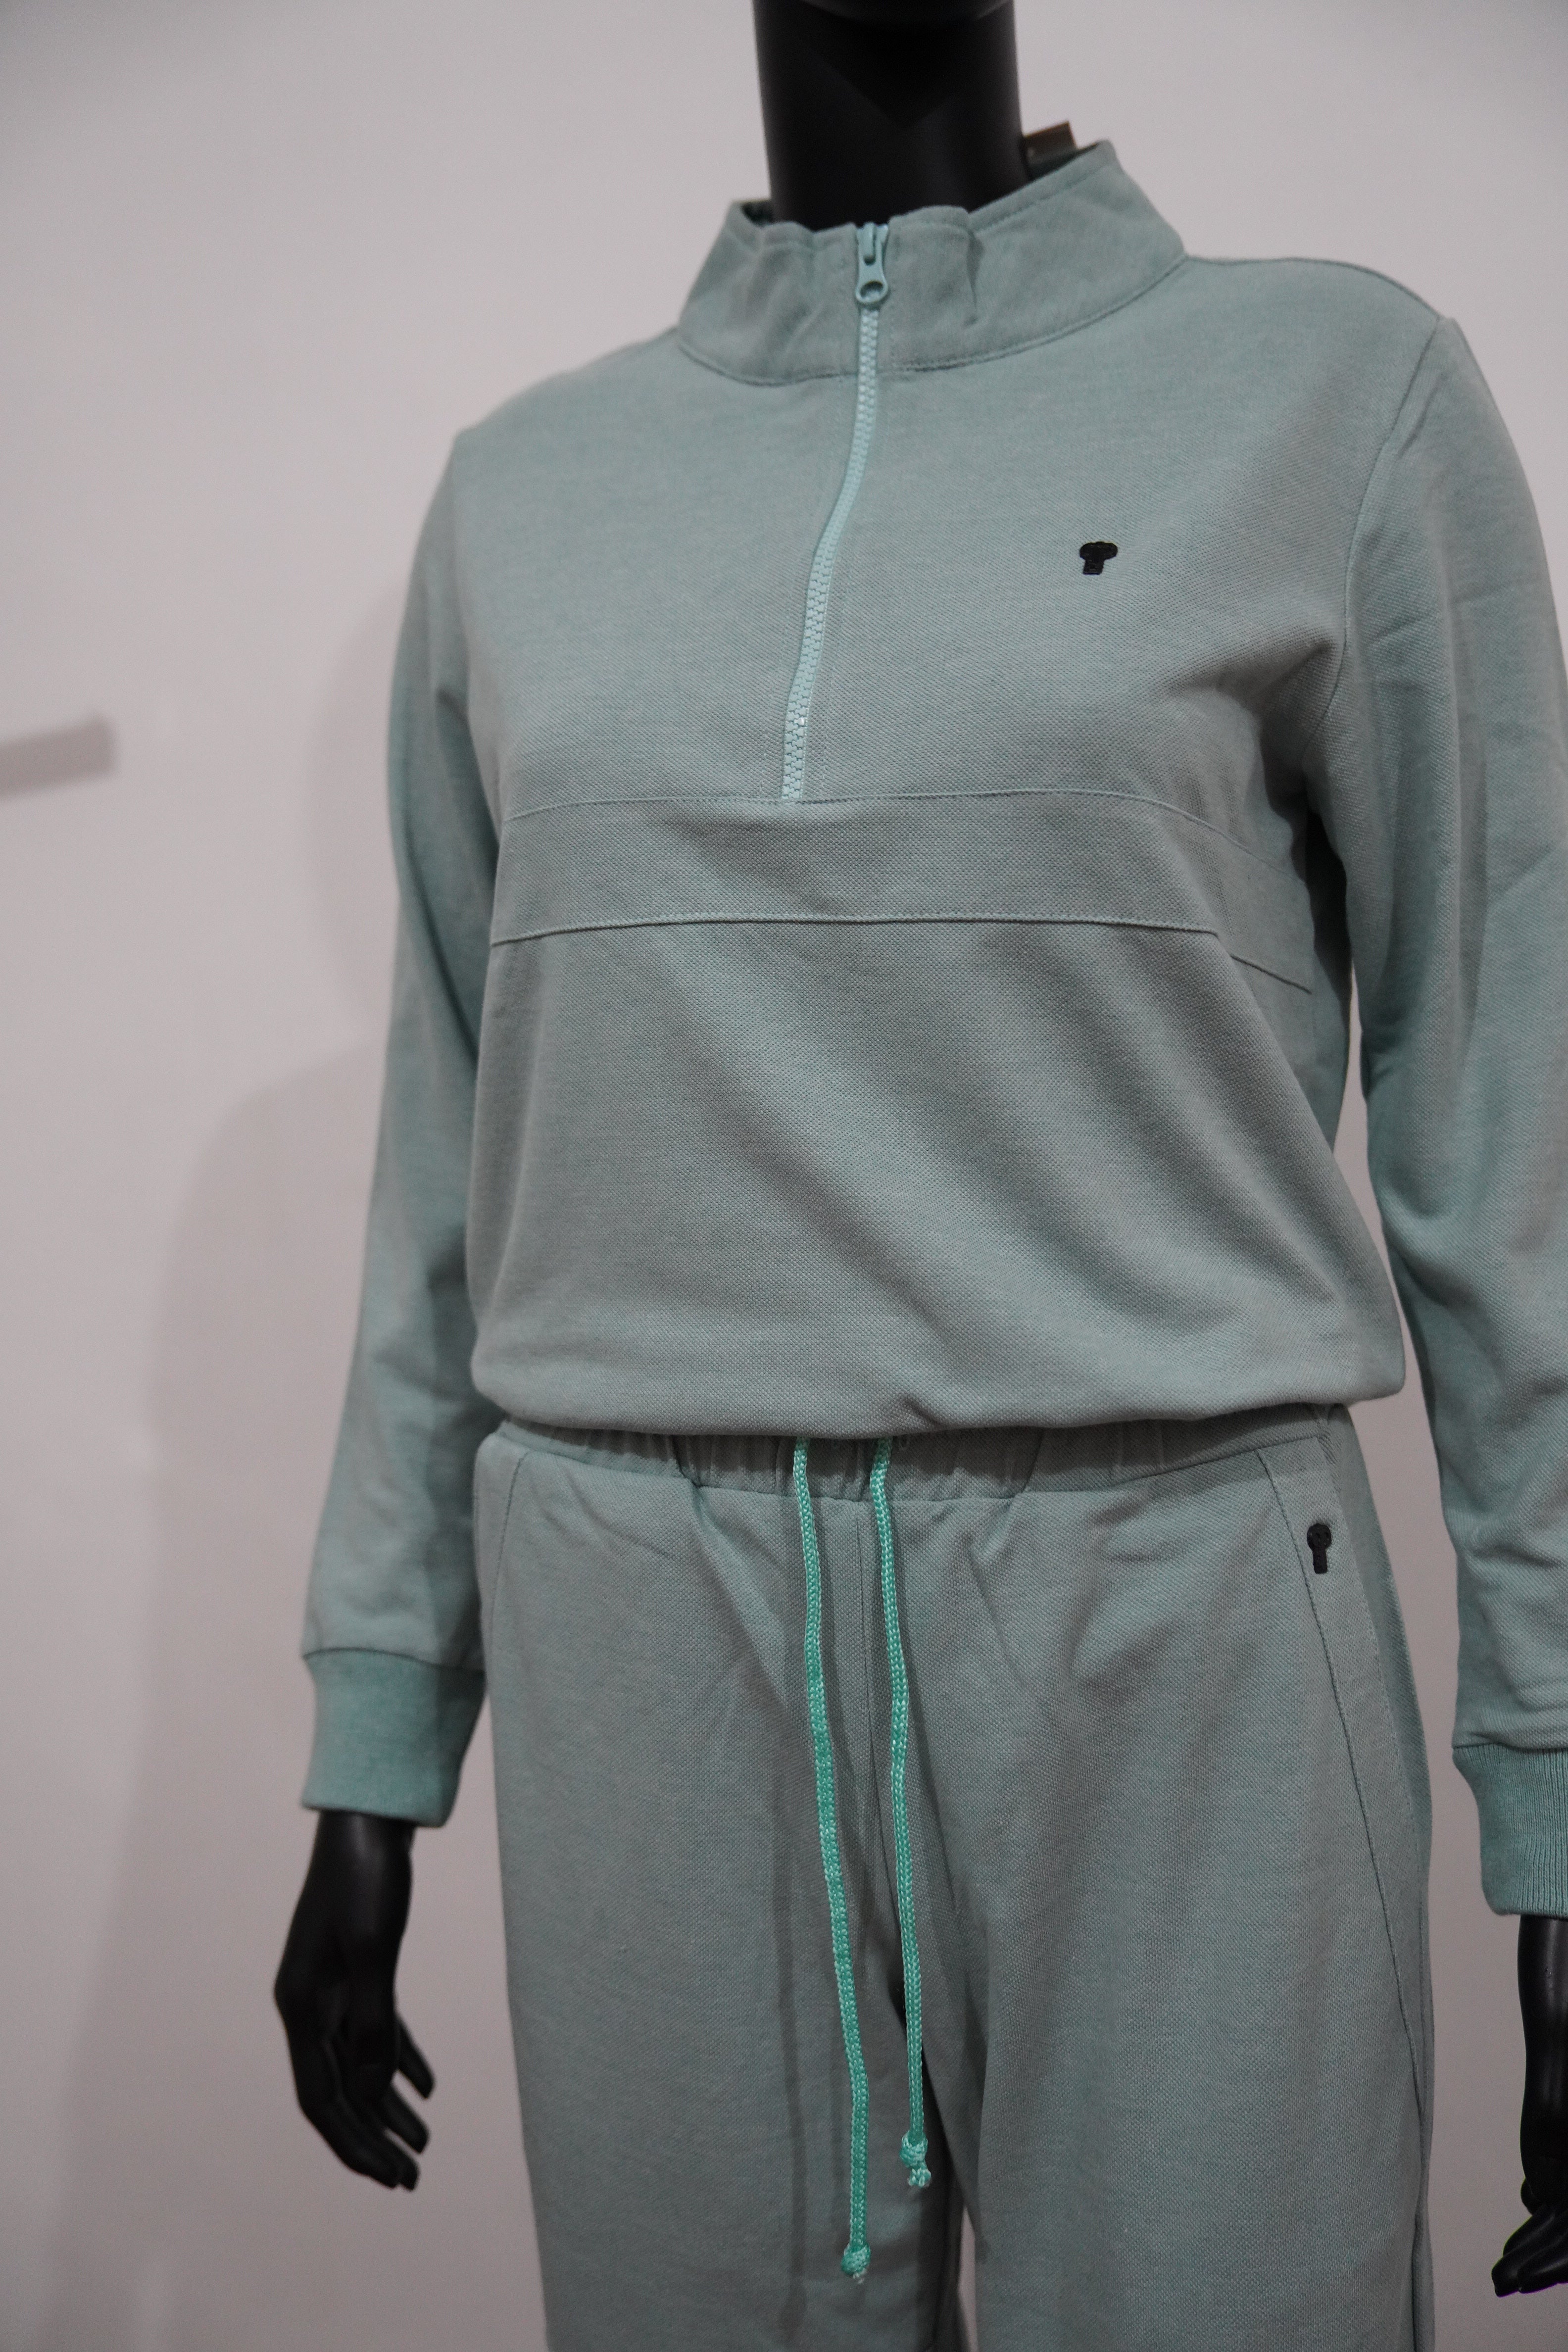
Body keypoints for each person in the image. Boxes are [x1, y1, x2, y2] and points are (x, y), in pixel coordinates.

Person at [275, 2, 1568, 2342]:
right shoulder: (525, 491)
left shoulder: (1335, 396)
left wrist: (1560, 1786)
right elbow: (455, 1149)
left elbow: (1514, 1133)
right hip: (639, 1626)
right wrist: (379, 1731)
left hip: (1170, 1610)